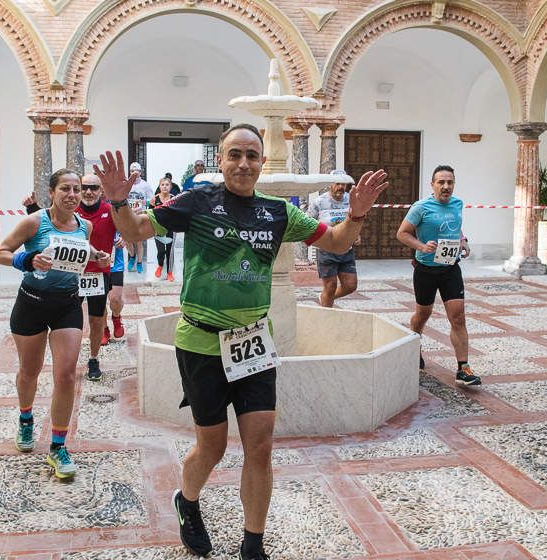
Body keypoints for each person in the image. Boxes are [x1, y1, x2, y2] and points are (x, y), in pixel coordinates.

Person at [92, 123, 388, 560]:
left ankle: (253, 544)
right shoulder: (196, 201)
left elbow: (337, 240)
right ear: (222, 160)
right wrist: (118, 200)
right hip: (200, 343)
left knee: (260, 445)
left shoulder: (278, 212)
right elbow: (136, 231)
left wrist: (357, 214)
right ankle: (187, 500)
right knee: (210, 446)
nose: (243, 163)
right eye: (234, 154)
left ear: (261, 161)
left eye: (251, 155)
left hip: (253, 345)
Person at [0, 169, 111, 479]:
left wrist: (96, 256)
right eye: (65, 189)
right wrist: (26, 261)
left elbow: (75, 257)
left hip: (67, 305)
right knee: (29, 372)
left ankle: (58, 446)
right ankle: (26, 418)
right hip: (31, 304)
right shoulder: (34, 222)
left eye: (76, 189)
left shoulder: (84, 227)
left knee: (66, 375)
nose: (72, 194)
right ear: (52, 192)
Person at [22, 174, 126, 380]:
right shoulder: (71, 208)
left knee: (97, 321)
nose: (88, 192)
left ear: (101, 191)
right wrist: (32, 208)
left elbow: (127, 227)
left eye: (94, 188)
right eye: (84, 187)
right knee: (67, 320)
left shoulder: (109, 211)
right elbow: (48, 225)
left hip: (98, 274)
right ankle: (66, 361)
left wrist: (124, 237)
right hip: (70, 276)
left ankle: (94, 359)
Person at [395, 164, 481, 386]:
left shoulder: (458, 204)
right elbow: (402, 233)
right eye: (441, 182)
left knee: (458, 316)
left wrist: (463, 241)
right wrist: (422, 246)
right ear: (432, 184)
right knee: (423, 314)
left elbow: (455, 226)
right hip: (426, 270)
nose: (446, 186)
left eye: (450, 182)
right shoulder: (421, 207)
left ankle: (463, 368)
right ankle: (414, 346)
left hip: (450, 267)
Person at [307, 169, 358, 307]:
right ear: (330, 184)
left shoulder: (351, 199)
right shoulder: (319, 202)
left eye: (343, 184)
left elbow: (357, 219)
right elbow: (307, 222)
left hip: (346, 248)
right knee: (330, 286)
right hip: (326, 249)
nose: (341, 187)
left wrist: (356, 234)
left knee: (350, 285)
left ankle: (325, 297)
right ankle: (326, 314)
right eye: (337, 183)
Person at [125, 162, 154, 273]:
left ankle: (140, 262)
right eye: (132, 171)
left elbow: (151, 200)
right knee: (127, 240)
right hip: (128, 216)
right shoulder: (126, 184)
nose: (134, 173)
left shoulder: (145, 185)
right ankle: (132, 256)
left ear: (140, 173)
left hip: (139, 215)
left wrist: (144, 202)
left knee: (139, 241)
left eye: (136, 172)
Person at [150, 176, 176, 281]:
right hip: (158, 229)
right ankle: (160, 265)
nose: (165, 187)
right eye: (162, 185)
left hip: (170, 229)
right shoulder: (154, 199)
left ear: (171, 187)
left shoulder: (174, 199)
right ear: (159, 186)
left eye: (167, 185)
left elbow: (178, 213)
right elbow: (150, 214)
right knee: (161, 251)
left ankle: (169, 272)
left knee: (170, 251)